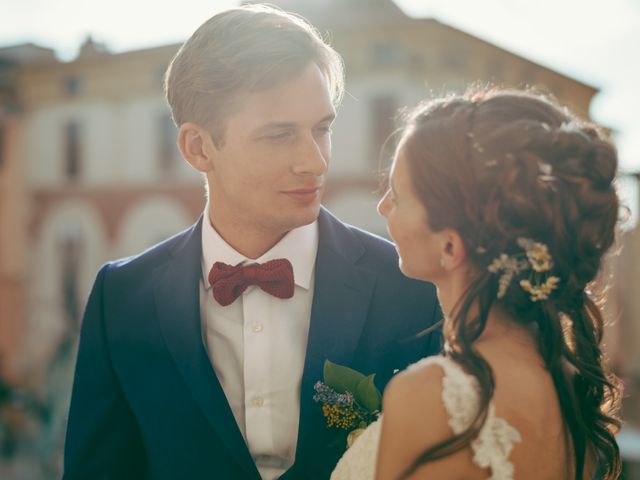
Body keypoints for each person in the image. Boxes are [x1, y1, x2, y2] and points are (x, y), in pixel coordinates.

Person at [62, 4, 441, 480]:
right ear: (199, 147)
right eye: (279, 135)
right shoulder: (122, 297)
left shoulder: (411, 287)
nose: (315, 162)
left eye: (321, 129)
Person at [331, 89, 622, 479]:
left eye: (398, 197)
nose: (382, 206)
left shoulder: (434, 396)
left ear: (450, 246)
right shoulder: (571, 384)